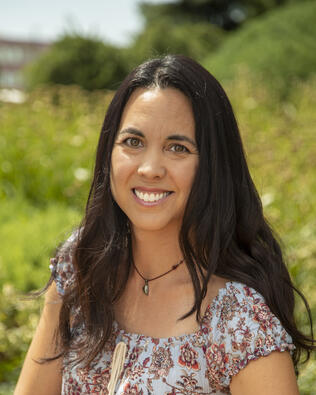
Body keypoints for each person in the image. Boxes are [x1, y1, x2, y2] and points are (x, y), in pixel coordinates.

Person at [15, 54, 315, 395]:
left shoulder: (237, 321)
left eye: (177, 147)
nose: (150, 168)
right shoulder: (80, 264)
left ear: (212, 166)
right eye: (133, 142)